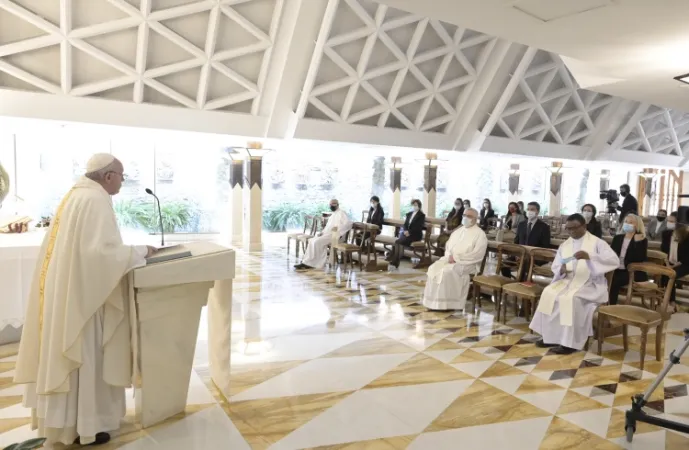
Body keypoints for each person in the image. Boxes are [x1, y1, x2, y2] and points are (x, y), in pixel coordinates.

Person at [13, 154, 157, 446]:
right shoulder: (95, 200)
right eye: (121, 175)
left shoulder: (76, 195)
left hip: (74, 291)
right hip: (84, 301)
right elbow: (100, 255)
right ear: (107, 176)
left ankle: (70, 423)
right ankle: (85, 425)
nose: (122, 181)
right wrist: (140, 251)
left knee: (78, 358)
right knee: (86, 356)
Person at [530, 213, 619, 354]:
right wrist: (561, 269)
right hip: (568, 280)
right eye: (568, 229)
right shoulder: (565, 245)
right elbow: (556, 265)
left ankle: (570, 343)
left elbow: (614, 261)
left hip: (590, 284)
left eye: (574, 228)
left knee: (570, 299)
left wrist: (590, 256)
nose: (571, 232)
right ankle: (551, 337)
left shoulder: (597, 243)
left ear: (584, 226)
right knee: (549, 293)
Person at [422, 208, 487, 311]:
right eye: (464, 215)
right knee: (433, 268)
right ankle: (432, 302)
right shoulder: (458, 231)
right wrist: (449, 256)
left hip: (468, 264)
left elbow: (477, 255)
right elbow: (448, 247)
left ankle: (448, 304)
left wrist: (456, 258)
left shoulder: (480, 234)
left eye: (469, 216)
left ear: (475, 219)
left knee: (446, 272)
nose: (465, 218)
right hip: (450, 260)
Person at [295, 199, 352, 270]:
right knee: (312, 240)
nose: (332, 205)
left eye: (333, 204)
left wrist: (338, 230)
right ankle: (306, 262)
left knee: (317, 242)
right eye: (330, 204)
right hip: (327, 234)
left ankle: (316, 263)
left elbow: (348, 224)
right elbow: (328, 227)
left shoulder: (342, 213)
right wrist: (322, 232)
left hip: (336, 235)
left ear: (337, 204)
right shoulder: (333, 214)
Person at [502, 201, 551, 278]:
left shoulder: (544, 227)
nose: (529, 211)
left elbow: (545, 246)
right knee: (504, 264)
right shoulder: (521, 225)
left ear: (537, 211)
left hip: (536, 256)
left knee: (524, 264)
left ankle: (521, 285)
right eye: (528, 209)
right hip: (520, 254)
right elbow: (516, 241)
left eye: (532, 209)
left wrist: (530, 255)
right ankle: (509, 283)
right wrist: (517, 254)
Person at [608, 214, 648, 305]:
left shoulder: (642, 239)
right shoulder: (617, 238)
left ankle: (611, 306)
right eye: (626, 222)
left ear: (637, 225)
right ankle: (602, 303)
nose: (627, 224)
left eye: (631, 222)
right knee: (603, 277)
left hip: (633, 271)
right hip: (617, 269)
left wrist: (637, 243)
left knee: (614, 280)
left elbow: (640, 258)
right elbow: (611, 254)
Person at [661, 212, 689, 310]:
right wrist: (668, 264)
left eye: (672, 221)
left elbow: (687, 257)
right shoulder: (666, 234)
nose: (669, 223)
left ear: (678, 223)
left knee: (670, 274)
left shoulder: (686, 236)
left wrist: (672, 266)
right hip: (669, 262)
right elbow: (663, 250)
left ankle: (671, 302)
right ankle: (663, 299)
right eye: (668, 220)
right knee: (662, 273)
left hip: (684, 263)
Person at [387, 199, 426, 268]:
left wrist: (409, 232)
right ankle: (394, 259)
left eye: (416, 205)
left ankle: (395, 260)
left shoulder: (421, 215)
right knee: (397, 241)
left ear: (419, 206)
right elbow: (405, 224)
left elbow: (418, 227)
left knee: (399, 242)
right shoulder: (409, 214)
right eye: (413, 205)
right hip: (406, 234)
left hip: (415, 235)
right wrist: (405, 231)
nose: (414, 206)